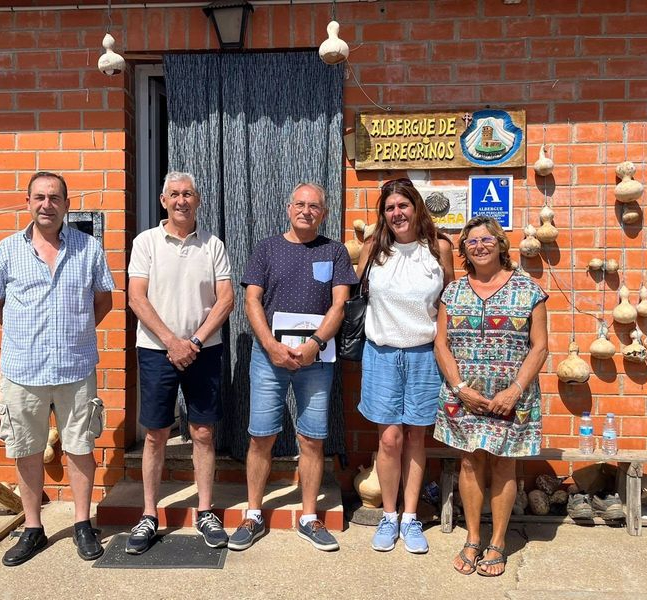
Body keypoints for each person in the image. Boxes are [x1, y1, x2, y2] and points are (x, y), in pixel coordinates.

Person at [0, 171, 115, 566]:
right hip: (23, 370)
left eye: (54, 198)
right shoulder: (7, 251)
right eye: (39, 197)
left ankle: (81, 524)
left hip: (76, 367)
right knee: (27, 450)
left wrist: (73, 334)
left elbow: (104, 300)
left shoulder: (89, 248)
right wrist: (29, 335)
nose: (47, 204)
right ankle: (33, 528)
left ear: (66, 204)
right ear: (28, 203)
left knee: (80, 447)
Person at [228, 182, 357, 552]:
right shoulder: (267, 248)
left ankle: (308, 516)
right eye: (300, 204)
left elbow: (339, 305)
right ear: (288, 208)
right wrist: (269, 345)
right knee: (261, 435)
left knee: (312, 438)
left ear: (324, 213)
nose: (306, 211)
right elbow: (251, 298)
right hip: (269, 357)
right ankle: (253, 514)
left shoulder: (334, 252)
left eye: (314, 206)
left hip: (316, 359)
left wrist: (315, 344)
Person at [433, 216, 548, 577]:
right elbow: (441, 344)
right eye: (471, 242)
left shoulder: (529, 289)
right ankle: (472, 537)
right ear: (464, 250)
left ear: (500, 244)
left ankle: (497, 542)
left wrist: (514, 391)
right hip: (464, 395)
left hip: (511, 397)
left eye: (486, 240)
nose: (479, 246)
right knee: (469, 463)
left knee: (503, 463)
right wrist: (460, 388)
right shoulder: (452, 292)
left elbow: (540, 346)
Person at [126, 171, 234, 554]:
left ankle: (205, 511)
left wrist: (195, 341)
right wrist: (172, 342)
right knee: (156, 434)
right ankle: (149, 515)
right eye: (174, 194)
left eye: (188, 193)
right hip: (157, 351)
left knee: (203, 433)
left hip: (204, 350)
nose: (181, 200)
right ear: (163, 200)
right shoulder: (146, 243)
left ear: (198, 200)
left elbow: (225, 299)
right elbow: (137, 298)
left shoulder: (213, 245)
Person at [355, 178, 455, 555]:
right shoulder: (373, 248)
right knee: (389, 438)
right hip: (381, 353)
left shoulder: (439, 247)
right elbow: (358, 295)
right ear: (383, 213)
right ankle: (389, 514)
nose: (397, 213)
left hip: (423, 355)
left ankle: (411, 517)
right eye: (390, 207)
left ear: (416, 206)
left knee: (415, 437)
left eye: (403, 205)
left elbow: (448, 301)